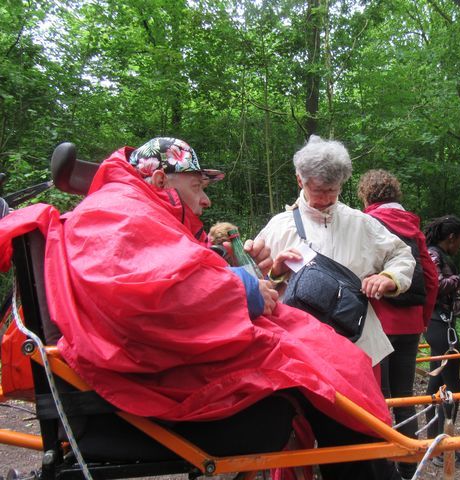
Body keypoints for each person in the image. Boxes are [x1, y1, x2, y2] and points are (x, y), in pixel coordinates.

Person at [0, 137, 402, 480]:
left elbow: (163, 276)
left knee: (329, 369)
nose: (206, 199)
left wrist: (239, 277)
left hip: (166, 375)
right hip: (158, 389)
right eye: (198, 185)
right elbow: (148, 296)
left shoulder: (126, 210)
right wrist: (245, 287)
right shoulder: (117, 212)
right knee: (326, 375)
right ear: (161, 180)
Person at [256, 135, 416, 376]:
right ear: (300, 180)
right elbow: (253, 285)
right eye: (318, 190)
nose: (325, 198)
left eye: (332, 190)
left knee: (363, 413)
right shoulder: (279, 227)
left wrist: (390, 277)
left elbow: (401, 254)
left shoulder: (361, 223)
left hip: (357, 345)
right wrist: (274, 274)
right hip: (297, 351)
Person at [357, 169, 438, 480]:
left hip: (375, 323)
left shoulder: (364, 224)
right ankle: (408, 466)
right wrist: (422, 319)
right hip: (408, 325)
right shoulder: (413, 229)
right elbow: (430, 278)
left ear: (366, 195)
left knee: (378, 397)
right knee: (405, 396)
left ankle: (383, 467)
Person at [423, 214, 460, 467]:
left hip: (441, 323)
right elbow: (436, 285)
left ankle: (435, 445)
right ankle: (443, 449)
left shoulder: (436, 254)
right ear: (451, 238)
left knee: (437, 387)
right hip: (438, 323)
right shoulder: (433, 255)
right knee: (453, 387)